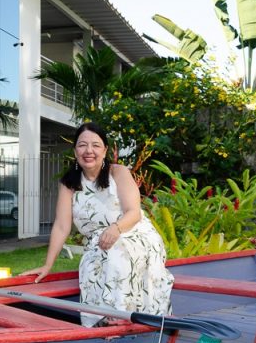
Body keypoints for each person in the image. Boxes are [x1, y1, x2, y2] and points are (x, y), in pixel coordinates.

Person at [22, 122, 174, 327]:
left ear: (105, 150)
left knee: (118, 250)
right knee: (95, 261)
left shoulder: (118, 172)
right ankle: (101, 320)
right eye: (82, 145)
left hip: (134, 234)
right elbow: (61, 226)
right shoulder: (69, 183)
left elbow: (134, 212)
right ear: (75, 150)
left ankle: (122, 315)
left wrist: (116, 228)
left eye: (95, 145)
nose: (89, 150)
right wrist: (48, 264)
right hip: (99, 244)